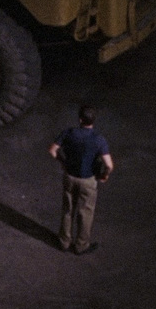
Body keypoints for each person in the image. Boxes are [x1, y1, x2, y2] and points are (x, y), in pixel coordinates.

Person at [49, 105, 113, 255]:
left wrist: (63, 163)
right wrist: (105, 175)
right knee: (85, 213)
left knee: (68, 209)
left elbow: (52, 150)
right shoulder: (98, 139)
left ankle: (64, 242)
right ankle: (81, 245)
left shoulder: (68, 133)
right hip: (88, 180)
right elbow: (109, 165)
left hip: (70, 176)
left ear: (79, 119)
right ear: (93, 121)